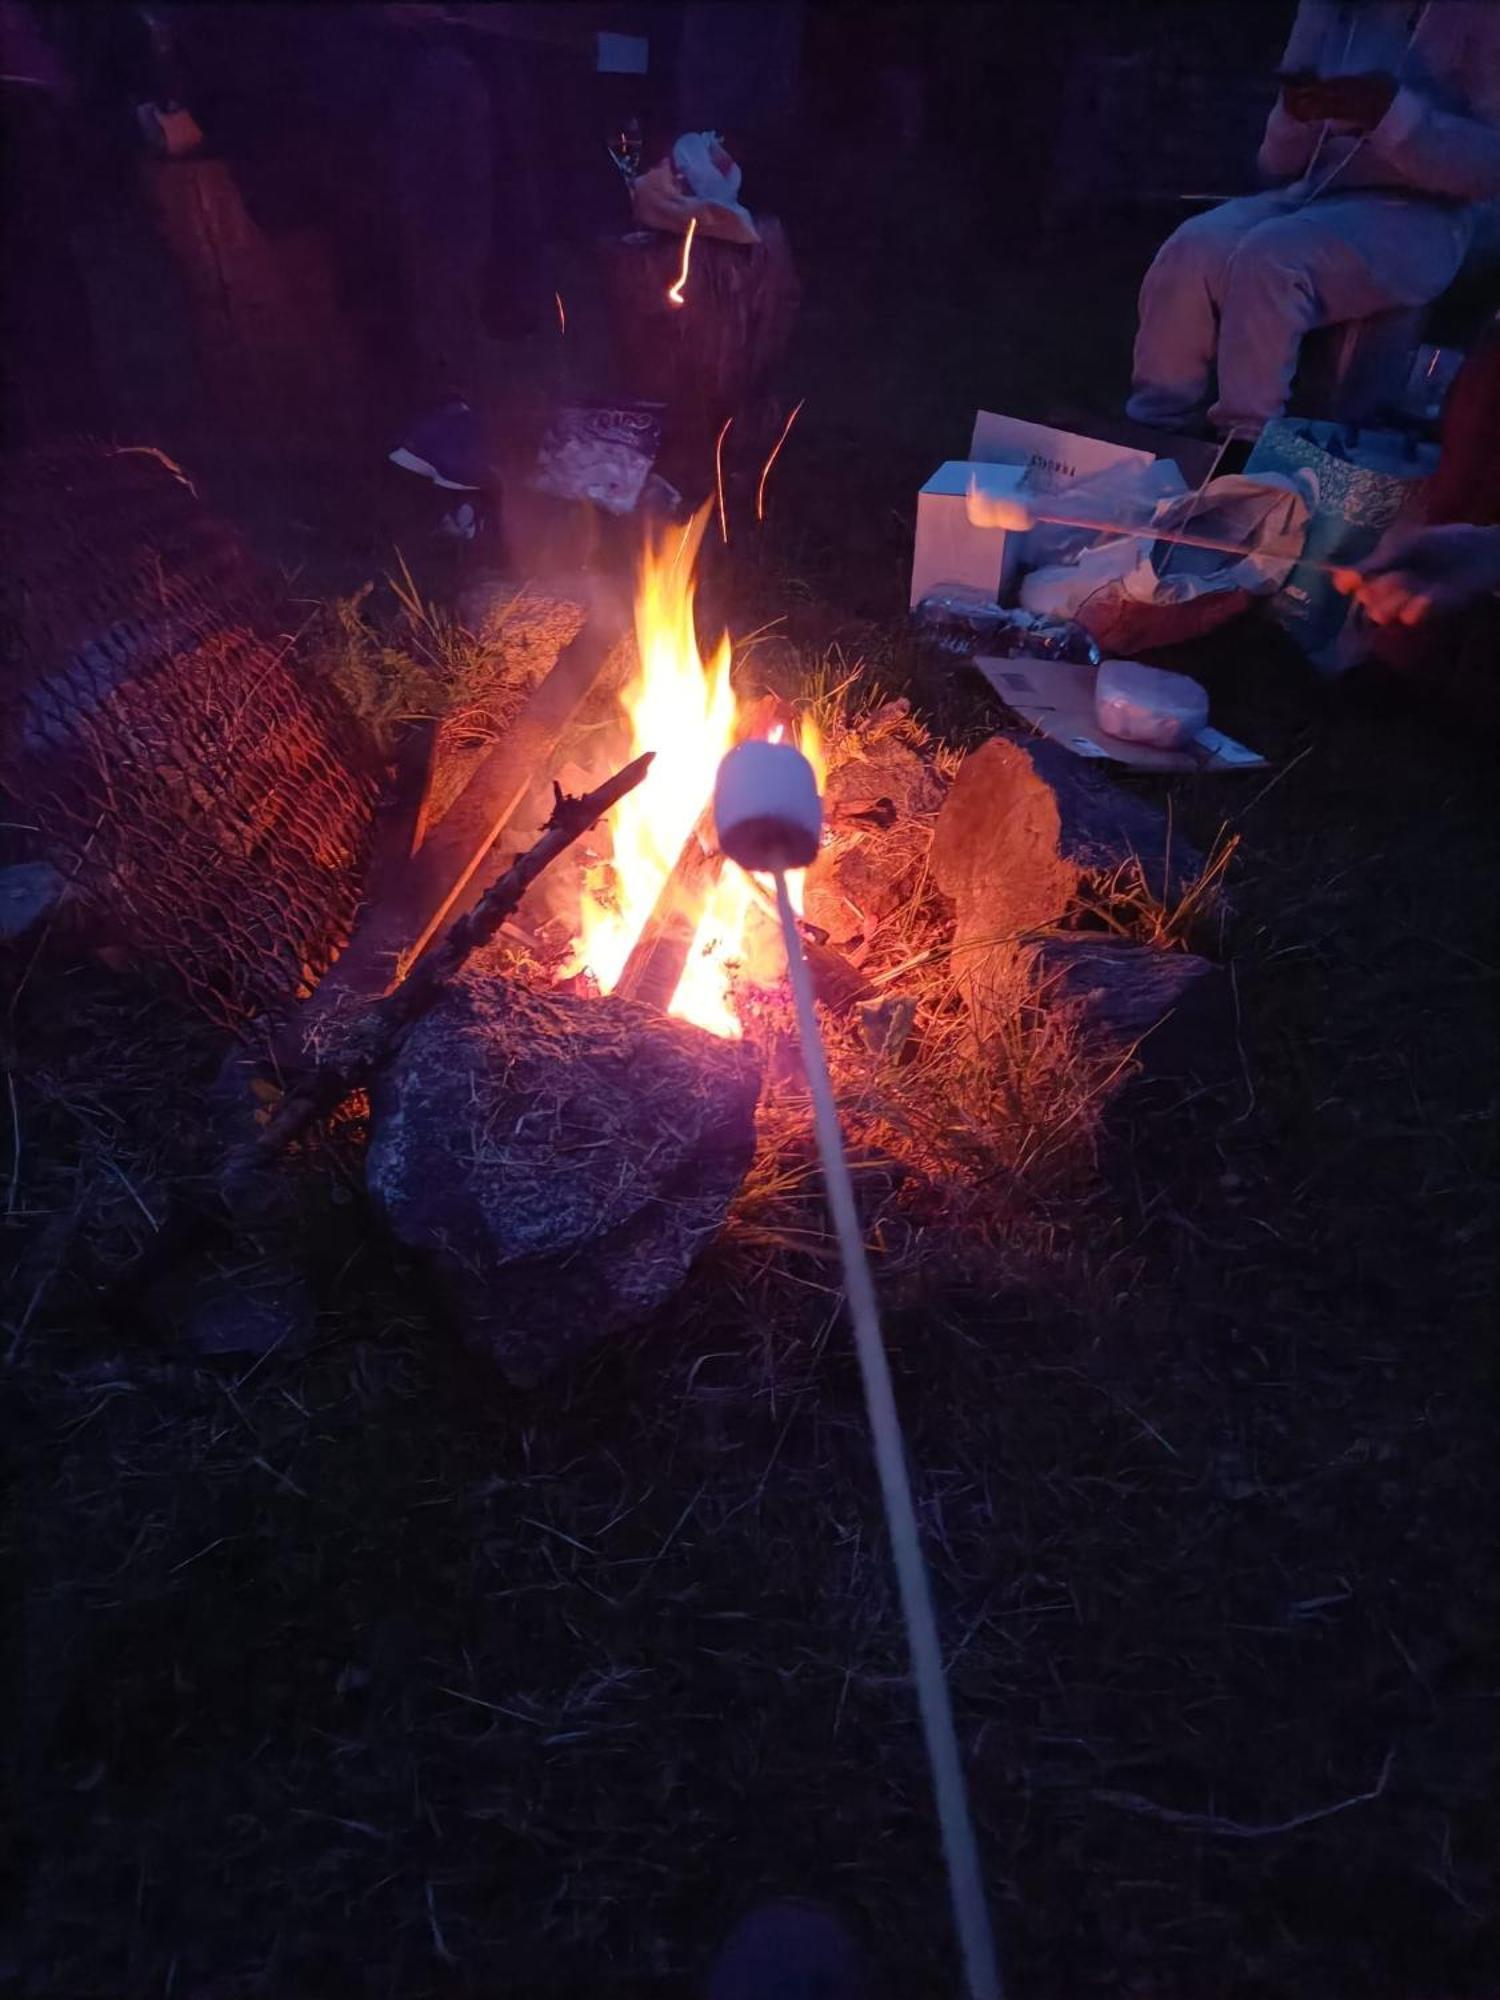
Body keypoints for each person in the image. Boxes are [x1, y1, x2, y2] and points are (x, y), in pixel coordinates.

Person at [1127, 1, 1500, 440]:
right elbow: (1280, 163)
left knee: (1274, 257)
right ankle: (1154, 430)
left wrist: (1391, 115)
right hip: (1317, 193)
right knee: (1192, 248)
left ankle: (1247, 444)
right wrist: (1295, 115)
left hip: (1426, 216)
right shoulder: (1330, 9)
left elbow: (1488, 170)